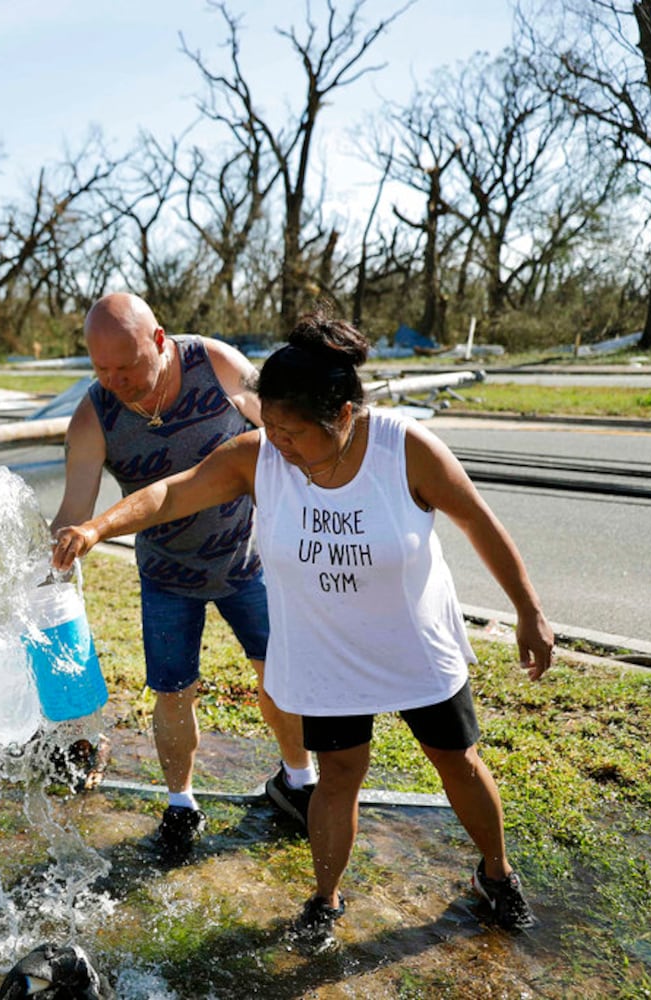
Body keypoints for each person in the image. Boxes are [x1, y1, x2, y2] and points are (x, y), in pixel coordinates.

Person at [51, 308, 554, 952]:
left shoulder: (407, 449)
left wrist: (529, 612)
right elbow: (170, 494)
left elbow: (480, 523)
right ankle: (324, 898)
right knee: (338, 775)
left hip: (413, 642)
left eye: (291, 432)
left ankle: (496, 873)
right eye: (272, 428)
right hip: (329, 651)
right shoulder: (261, 457)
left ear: (342, 416)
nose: (277, 443)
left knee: (456, 761)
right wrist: (96, 527)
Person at [51, 292, 315, 862]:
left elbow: (286, 434)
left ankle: (299, 781)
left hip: (251, 560)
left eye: (129, 366)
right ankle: (180, 803)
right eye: (102, 369)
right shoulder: (94, 415)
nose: (116, 380)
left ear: (160, 340)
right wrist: (50, 559)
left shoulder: (215, 365)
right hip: (166, 575)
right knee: (173, 693)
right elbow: (75, 507)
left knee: (281, 676)